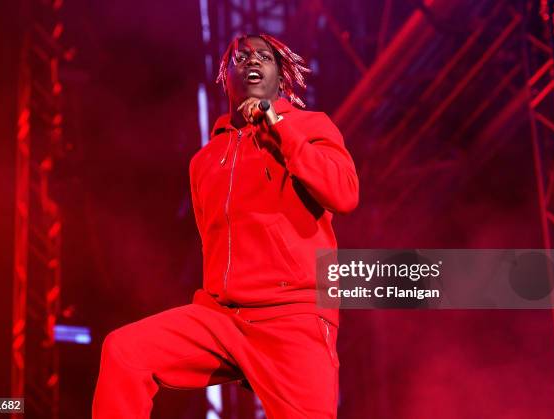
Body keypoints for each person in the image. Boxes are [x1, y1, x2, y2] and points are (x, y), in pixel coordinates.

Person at [92, 33, 359, 419]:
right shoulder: (205, 159)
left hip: (291, 317)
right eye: (241, 57)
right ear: (224, 76)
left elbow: (345, 194)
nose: (252, 61)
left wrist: (278, 129)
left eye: (264, 57)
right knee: (124, 351)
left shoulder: (309, 126)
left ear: (280, 76)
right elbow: (213, 242)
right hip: (222, 318)